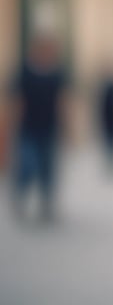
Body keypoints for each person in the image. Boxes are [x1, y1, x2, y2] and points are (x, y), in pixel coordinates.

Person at [10, 32, 67, 222]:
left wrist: (66, 124)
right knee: (27, 165)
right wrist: (12, 123)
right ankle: (21, 197)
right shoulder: (25, 71)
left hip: (49, 127)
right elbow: (17, 99)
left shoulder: (56, 72)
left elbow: (61, 100)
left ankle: (46, 206)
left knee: (48, 169)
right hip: (28, 127)